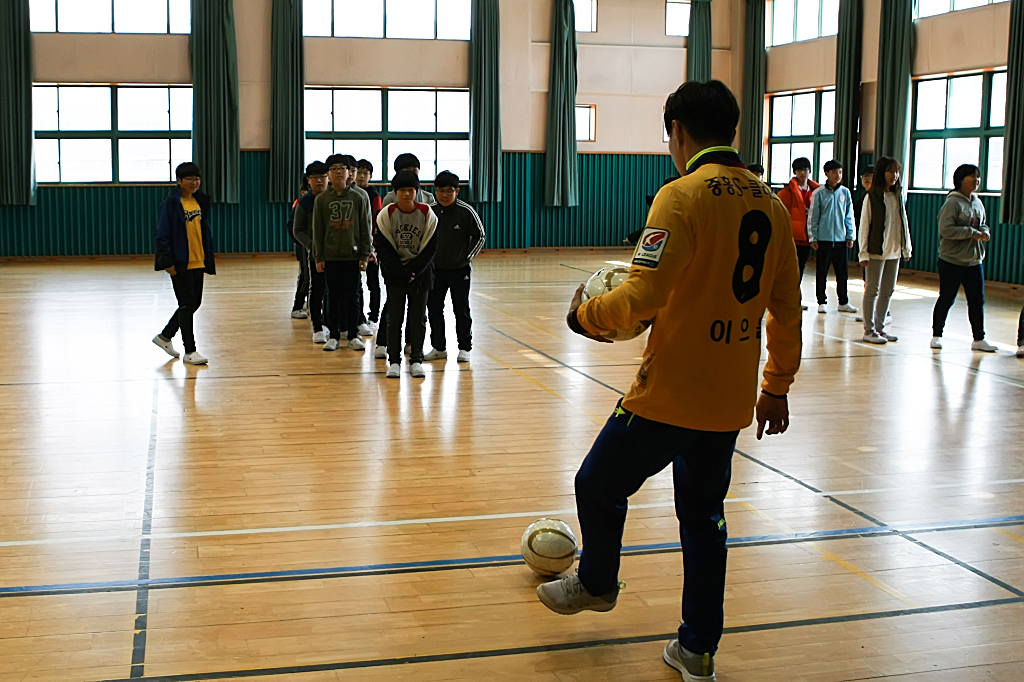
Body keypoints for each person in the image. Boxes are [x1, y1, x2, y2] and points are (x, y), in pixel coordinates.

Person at [535, 80, 802, 682]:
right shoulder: (772, 204)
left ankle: (599, 582)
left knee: (598, 483)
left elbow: (643, 294)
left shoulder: (679, 196)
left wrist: (585, 316)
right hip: (731, 397)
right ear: (731, 129)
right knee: (705, 519)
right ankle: (696, 649)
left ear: (677, 133)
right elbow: (787, 306)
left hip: (672, 391)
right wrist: (776, 385)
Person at [375, 170, 438, 378]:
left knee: (418, 318)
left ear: (416, 191)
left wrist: (412, 270)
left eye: (411, 190)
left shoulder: (428, 214)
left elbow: (431, 248)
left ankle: (416, 359)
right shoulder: (386, 214)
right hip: (395, 275)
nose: (407, 194)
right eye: (402, 190)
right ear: (395, 192)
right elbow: (383, 247)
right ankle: (394, 360)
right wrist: (400, 272)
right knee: (395, 318)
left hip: (420, 275)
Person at [152, 162, 216, 365]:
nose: (194, 182)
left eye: (196, 178)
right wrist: (167, 262)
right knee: (187, 305)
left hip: (198, 260)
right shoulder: (171, 204)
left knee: (193, 303)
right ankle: (190, 350)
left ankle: (165, 336)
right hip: (180, 263)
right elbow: (162, 234)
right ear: (179, 181)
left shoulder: (199, 201)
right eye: (189, 179)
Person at [930, 164, 997, 352]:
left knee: (977, 300)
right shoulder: (952, 203)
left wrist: (984, 232)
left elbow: (982, 223)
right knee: (947, 298)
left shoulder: (977, 201)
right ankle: (937, 334)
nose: (976, 180)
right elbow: (945, 229)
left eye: (978, 177)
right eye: (972, 177)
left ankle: (979, 338)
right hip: (952, 261)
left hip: (974, 261)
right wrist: (970, 233)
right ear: (960, 180)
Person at [312, 154, 372, 351]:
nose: (338, 172)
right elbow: (318, 231)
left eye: (342, 168)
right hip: (330, 257)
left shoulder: (359, 197)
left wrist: (365, 254)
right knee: (332, 297)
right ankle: (334, 335)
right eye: (334, 168)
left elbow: (365, 228)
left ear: (349, 173)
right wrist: (319, 257)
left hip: (352, 257)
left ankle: (353, 335)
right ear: (328, 174)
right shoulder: (321, 200)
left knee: (352, 296)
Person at [423, 171, 485, 363]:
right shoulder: (428, 211)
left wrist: (466, 258)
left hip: (460, 271)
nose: (444, 195)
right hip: (434, 271)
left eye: (449, 191)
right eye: (440, 190)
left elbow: (480, 236)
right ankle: (438, 347)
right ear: (435, 191)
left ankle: (465, 347)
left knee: (461, 309)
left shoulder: (466, 211)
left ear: (457, 191)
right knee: (434, 309)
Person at [859, 156, 912, 345]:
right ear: (882, 173)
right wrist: (863, 253)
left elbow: (903, 222)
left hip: (894, 251)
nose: (895, 175)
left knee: (888, 290)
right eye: (891, 171)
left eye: (897, 171)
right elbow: (865, 225)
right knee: (872, 289)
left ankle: (880, 328)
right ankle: (869, 330)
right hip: (876, 251)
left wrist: (906, 248)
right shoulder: (871, 197)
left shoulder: (897, 196)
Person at [808, 160, 858, 314]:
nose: (838, 175)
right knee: (822, 271)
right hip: (824, 240)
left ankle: (843, 301)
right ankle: (821, 301)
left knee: (842, 273)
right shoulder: (819, 193)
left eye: (840, 172)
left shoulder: (845, 192)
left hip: (841, 240)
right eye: (835, 172)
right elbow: (813, 217)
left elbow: (849, 216)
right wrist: (813, 237)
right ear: (827, 173)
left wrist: (850, 235)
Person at [292, 161, 330, 343]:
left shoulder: (333, 198)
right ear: (308, 180)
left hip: (337, 253)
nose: (319, 181)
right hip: (315, 254)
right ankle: (317, 326)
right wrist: (312, 246)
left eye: (322, 176)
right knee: (316, 288)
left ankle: (333, 325)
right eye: (314, 177)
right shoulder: (305, 202)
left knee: (335, 290)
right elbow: (297, 229)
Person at [777, 157, 818, 310]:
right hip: (793, 238)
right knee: (789, 271)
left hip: (808, 237)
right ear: (795, 172)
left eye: (805, 169)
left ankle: (794, 299)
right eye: (799, 170)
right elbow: (781, 215)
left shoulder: (816, 191)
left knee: (800, 270)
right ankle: (787, 300)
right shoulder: (787, 192)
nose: (803, 173)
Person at [356, 159, 384, 329]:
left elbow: (376, 222)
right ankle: (357, 317)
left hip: (372, 246)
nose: (361, 176)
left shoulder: (374, 195)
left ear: (371, 176)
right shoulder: (350, 193)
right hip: (353, 246)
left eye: (365, 173)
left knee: (373, 283)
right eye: (359, 172)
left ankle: (373, 316)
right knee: (355, 284)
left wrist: (372, 247)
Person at [288, 181, 310, 319]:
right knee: (305, 276)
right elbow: (292, 227)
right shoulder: (301, 203)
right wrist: (299, 242)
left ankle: (310, 304)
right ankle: (297, 306)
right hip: (304, 246)